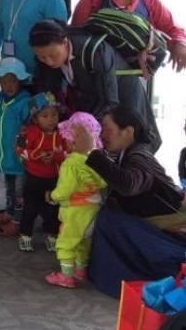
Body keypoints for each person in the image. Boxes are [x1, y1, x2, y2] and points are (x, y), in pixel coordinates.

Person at [68, 107, 186, 297]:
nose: (102, 135)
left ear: (128, 132)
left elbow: (128, 185)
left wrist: (91, 151)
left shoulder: (140, 156)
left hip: (174, 233)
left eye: (107, 130)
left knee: (108, 220)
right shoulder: (124, 154)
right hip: (153, 224)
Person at [29, 19, 162, 151]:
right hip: (98, 103)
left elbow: (110, 102)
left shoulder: (95, 51)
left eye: (53, 55)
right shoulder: (54, 58)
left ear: (65, 42)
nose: (49, 62)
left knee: (134, 145)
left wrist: (87, 127)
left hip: (125, 98)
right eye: (42, 57)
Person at [44, 112, 107, 288]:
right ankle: (80, 270)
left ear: (73, 141)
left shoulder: (71, 163)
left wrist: (52, 196)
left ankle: (66, 276)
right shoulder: (96, 160)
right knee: (83, 243)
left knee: (66, 242)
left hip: (75, 211)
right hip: (92, 210)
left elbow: (66, 189)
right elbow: (103, 182)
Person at [0, 58, 32, 238]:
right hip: (4, 156)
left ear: (20, 81)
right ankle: (10, 213)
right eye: (4, 81)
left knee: (20, 191)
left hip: (20, 157)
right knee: (9, 187)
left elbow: (30, 127)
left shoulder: (25, 102)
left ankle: (18, 222)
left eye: (13, 81)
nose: (9, 85)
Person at [15, 92, 64, 252]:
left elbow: (69, 153)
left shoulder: (62, 133)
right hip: (33, 179)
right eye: (45, 115)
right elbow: (20, 149)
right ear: (35, 119)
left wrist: (56, 156)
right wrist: (37, 155)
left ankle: (52, 237)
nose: (51, 119)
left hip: (54, 180)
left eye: (54, 114)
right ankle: (25, 236)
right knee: (30, 209)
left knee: (53, 210)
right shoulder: (28, 132)